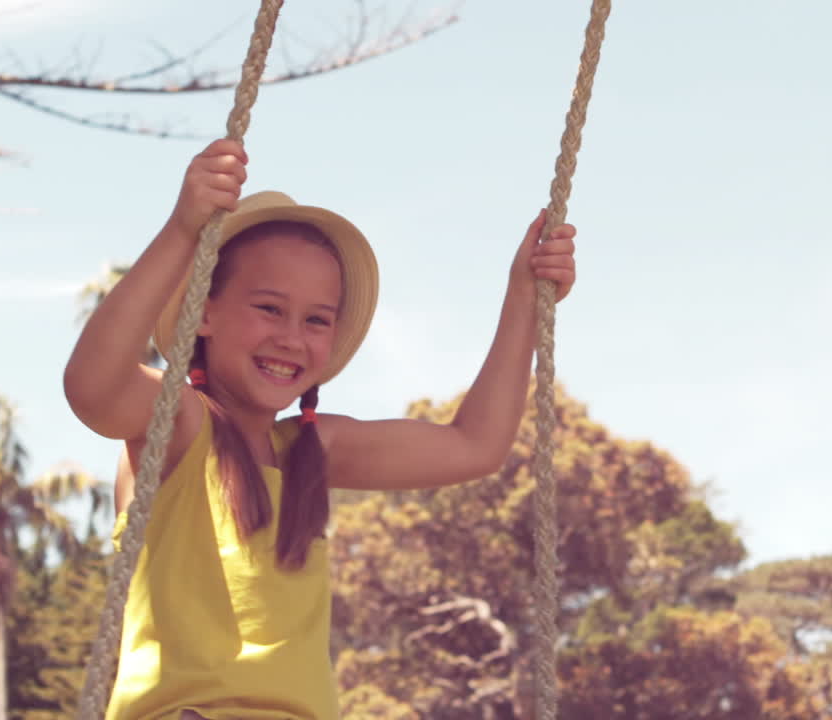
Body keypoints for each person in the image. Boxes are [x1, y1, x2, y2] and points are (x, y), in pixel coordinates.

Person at [63, 138, 578, 720]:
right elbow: (93, 388)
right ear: (203, 313)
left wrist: (521, 297)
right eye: (268, 309)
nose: (290, 337)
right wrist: (184, 230)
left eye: (315, 320)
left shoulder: (312, 446)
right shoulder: (180, 423)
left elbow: (475, 445)